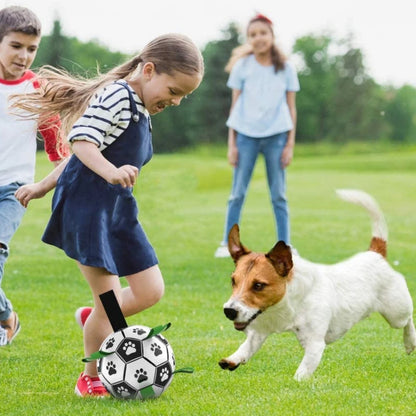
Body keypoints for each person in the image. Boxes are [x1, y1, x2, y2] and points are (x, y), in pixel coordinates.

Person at [14, 33, 204, 397]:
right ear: (149, 70)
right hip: (87, 210)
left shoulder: (141, 106)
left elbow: (80, 154)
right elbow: (82, 142)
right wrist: (109, 172)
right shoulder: (117, 95)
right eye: (174, 89)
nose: (177, 101)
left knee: (150, 291)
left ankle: (94, 320)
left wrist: (42, 185)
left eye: (184, 95)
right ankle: (90, 376)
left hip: (117, 211)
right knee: (110, 303)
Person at [0, 5, 69, 346]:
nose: (24, 56)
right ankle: (6, 314)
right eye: (15, 46)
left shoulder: (37, 92)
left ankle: (5, 320)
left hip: (13, 190)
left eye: (31, 49)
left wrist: (57, 186)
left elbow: (58, 150)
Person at [214, 13, 300, 258]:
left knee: (279, 194)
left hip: (277, 137)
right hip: (246, 136)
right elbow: (235, 106)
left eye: (263, 33)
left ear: (272, 36)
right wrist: (232, 144)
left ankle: (285, 245)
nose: (258, 38)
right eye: (253, 34)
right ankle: (227, 244)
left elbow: (292, 108)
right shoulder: (242, 66)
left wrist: (289, 144)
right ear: (248, 39)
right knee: (237, 192)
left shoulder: (285, 68)